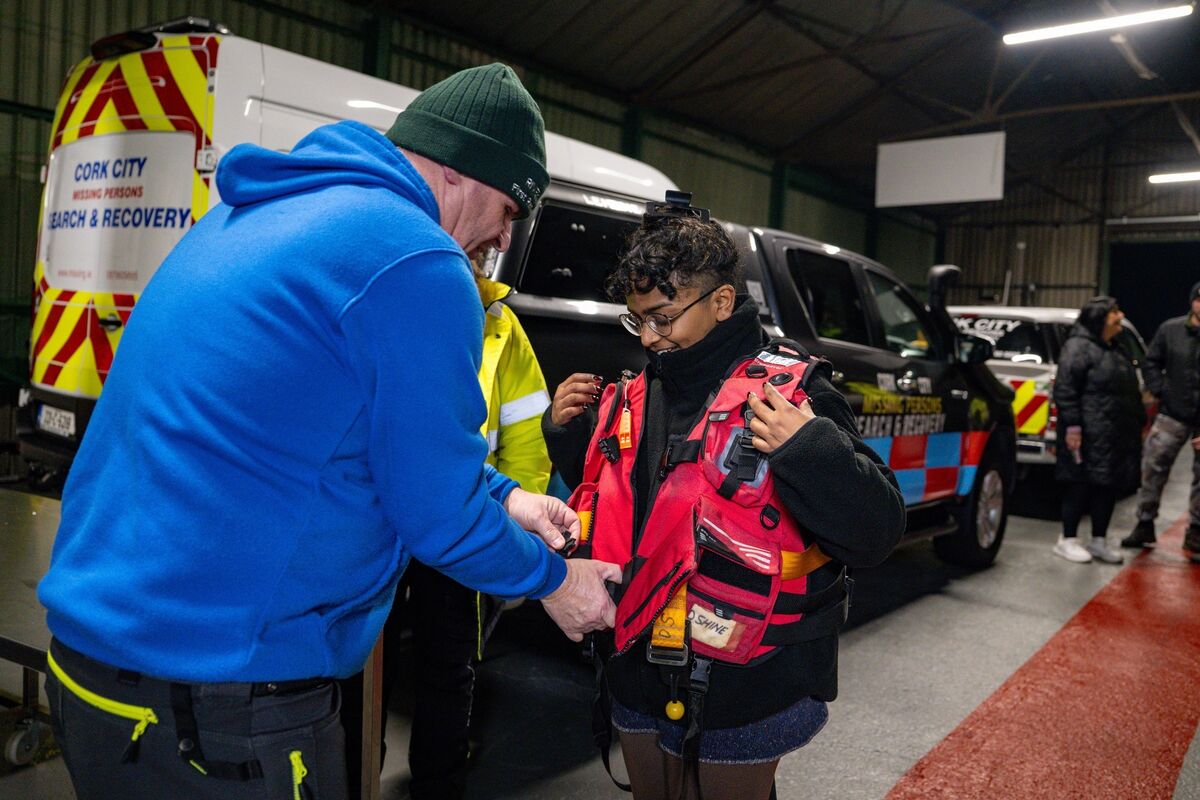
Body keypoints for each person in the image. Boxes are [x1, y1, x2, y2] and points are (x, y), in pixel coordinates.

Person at [37, 63, 620, 800]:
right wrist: (554, 580)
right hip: (217, 701)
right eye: (507, 210)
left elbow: (340, 431)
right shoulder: (418, 262)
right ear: (458, 174)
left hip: (99, 673)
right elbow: (436, 518)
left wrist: (504, 497)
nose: (500, 239)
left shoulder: (255, 213)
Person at [542, 196, 905, 800]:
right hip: (636, 668)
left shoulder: (794, 395)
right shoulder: (632, 395)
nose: (651, 338)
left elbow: (877, 531)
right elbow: (619, 511)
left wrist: (809, 446)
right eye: (637, 321)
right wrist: (568, 434)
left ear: (722, 303)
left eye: (663, 318)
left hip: (748, 681)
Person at [342, 249, 554, 799]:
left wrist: (517, 532)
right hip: (383, 526)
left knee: (448, 665)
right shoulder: (401, 300)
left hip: (464, 525)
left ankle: (438, 787)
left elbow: (528, 439)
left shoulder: (503, 327)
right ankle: (353, 778)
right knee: (363, 666)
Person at [1051, 296, 1145, 564]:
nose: (1120, 315)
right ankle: (1067, 539)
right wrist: (1073, 426)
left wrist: (1137, 422)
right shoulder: (1078, 347)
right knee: (1078, 483)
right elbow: (1066, 390)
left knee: (1107, 485)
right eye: (1114, 312)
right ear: (1099, 318)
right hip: (1087, 432)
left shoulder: (1115, 348)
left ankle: (1098, 540)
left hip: (1113, 433)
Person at [1122, 281, 1200, 560]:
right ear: (1192, 302)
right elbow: (1151, 361)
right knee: (1153, 467)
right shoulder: (1170, 330)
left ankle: (1196, 534)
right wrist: (1160, 390)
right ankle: (1144, 524)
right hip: (1172, 414)